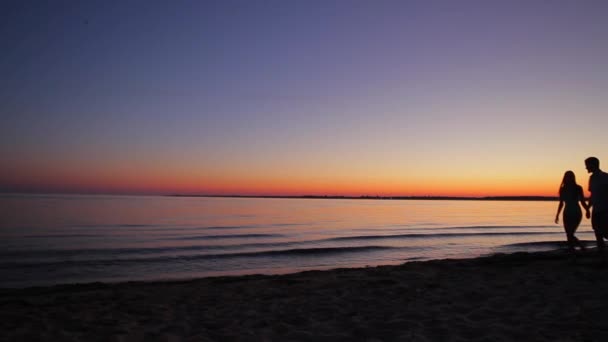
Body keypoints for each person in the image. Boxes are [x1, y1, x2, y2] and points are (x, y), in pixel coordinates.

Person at [555, 170, 590, 253]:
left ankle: (581, 247)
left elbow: (582, 201)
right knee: (568, 233)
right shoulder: (563, 189)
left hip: (576, 213)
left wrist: (587, 210)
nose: (569, 178)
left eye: (570, 176)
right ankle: (572, 249)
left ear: (573, 178)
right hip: (567, 212)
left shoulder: (578, 188)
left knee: (570, 233)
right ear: (565, 178)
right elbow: (561, 203)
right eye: (567, 176)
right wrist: (557, 215)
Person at [585, 157, 608, 256]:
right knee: (597, 232)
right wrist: (587, 208)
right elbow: (592, 195)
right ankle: (601, 253)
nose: (586, 167)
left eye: (587, 165)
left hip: (605, 209)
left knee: (605, 232)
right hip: (596, 209)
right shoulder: (591, 178)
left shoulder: (605, 177)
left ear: (594, 165)